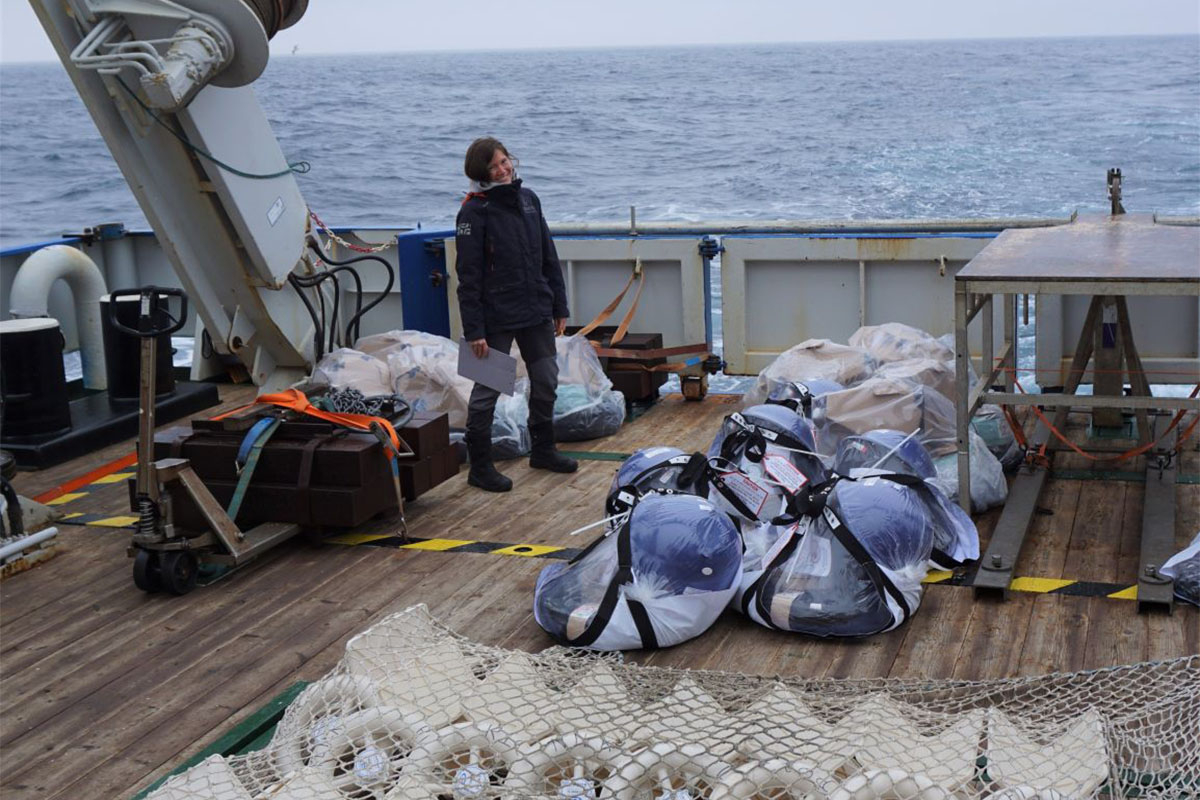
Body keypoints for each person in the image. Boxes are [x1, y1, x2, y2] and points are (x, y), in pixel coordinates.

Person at [454, 137, 578, 492]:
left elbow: (548, 256)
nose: (503, 169)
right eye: (493, 166)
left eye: (505, 161)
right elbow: (468, 276)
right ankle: (479, 466)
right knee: (487, 391)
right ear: (480, 173)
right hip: (493, 318)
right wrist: (474, 329)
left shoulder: (529, 200)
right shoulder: (472, 213)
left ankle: (543, 450)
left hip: (536, 308)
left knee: (547, 380)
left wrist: (559, 305)